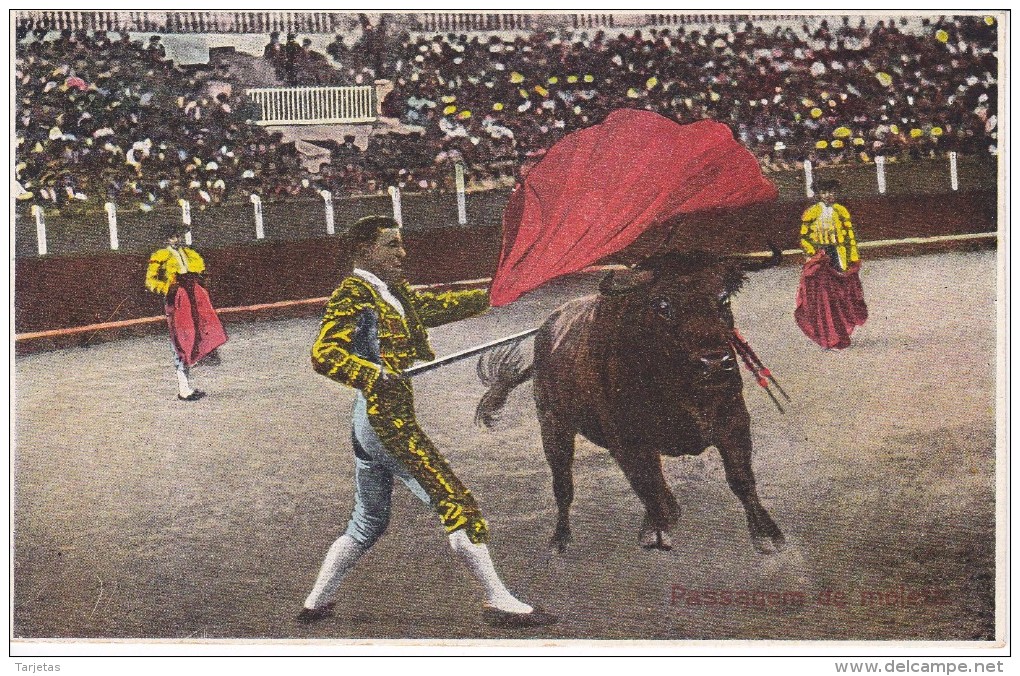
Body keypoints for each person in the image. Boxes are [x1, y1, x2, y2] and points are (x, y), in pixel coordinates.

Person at [299, 215, 556, 629]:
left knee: (368, 521)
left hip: (370, 421)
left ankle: (316, 601)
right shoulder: (353, 294)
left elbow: (432, 308)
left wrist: (497, 294)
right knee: (457, 504)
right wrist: (372, 373)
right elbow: (324, 353)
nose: (403, 253)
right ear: (364, 250)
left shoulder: (387, 292)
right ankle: (499, 599)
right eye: (392, 246)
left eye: (401, 244)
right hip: (387, 421)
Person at [145, 223, 227, 401]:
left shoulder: (189, 254)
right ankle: (183, 389)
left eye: (178, 235)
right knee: (181, 341)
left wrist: (201, 283)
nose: (177, 239)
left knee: (195, 335)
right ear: (166, 238)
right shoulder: (160, 256)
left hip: (194, 299)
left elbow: (201, 274)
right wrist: (168, 288)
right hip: (177, 300)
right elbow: (150, 282)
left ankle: (187, 387)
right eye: (173, 236)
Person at [794, 179, 869, 349]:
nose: (828, 195)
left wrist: (853, 258)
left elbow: (850, 236)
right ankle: (829, 335)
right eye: (825, 192)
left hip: (839, 254)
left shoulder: (841, 211)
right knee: (823, 297)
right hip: (821, 256)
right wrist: (815, 253)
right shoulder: (811, 212)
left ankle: (840, 332)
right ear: (819, 194)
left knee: (840, 295)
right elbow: (804, 238)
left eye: (832, 192)